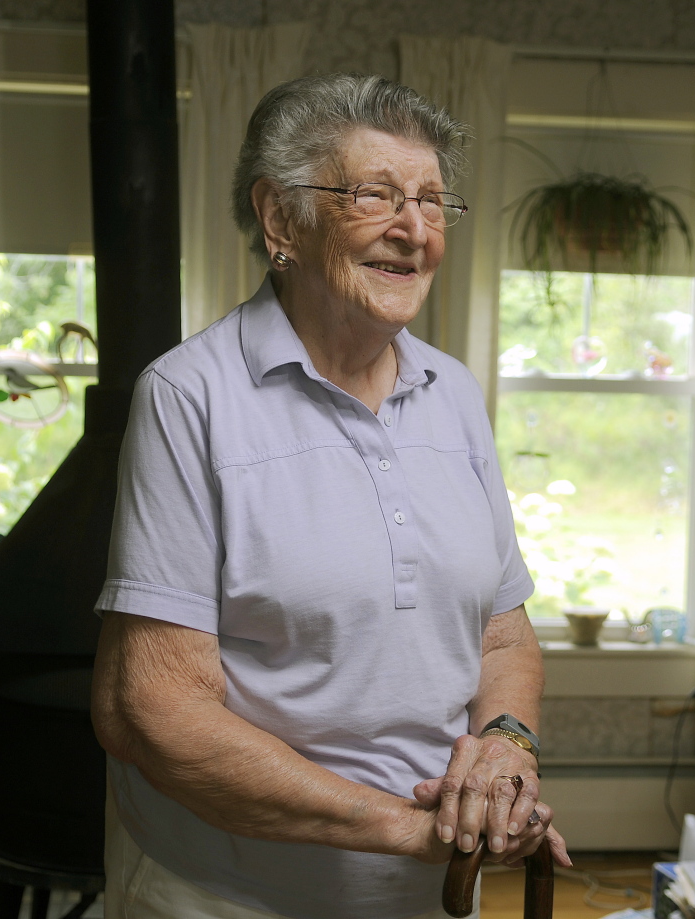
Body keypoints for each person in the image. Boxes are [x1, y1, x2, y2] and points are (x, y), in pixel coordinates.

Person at [91, 73, 571, 919]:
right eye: (375, 196)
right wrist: (411, 828)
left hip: (424, 896)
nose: (413, 229)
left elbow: (502, 636)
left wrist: (506, 748)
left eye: (431, 201)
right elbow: (154, 710)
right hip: (224, 896)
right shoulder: (189, 396)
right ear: (281, 219)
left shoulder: (453, 392)